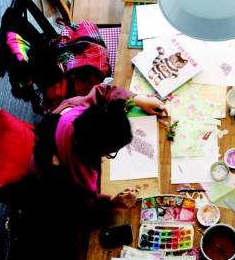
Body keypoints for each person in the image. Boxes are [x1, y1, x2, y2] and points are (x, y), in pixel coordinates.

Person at [31, 83, 168, 215]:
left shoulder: (76, 111)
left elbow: (103, 91)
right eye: (110, 154)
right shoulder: (63, 178)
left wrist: (138, 100)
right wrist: (112, 202)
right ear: (93, 154)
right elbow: (79, 209)